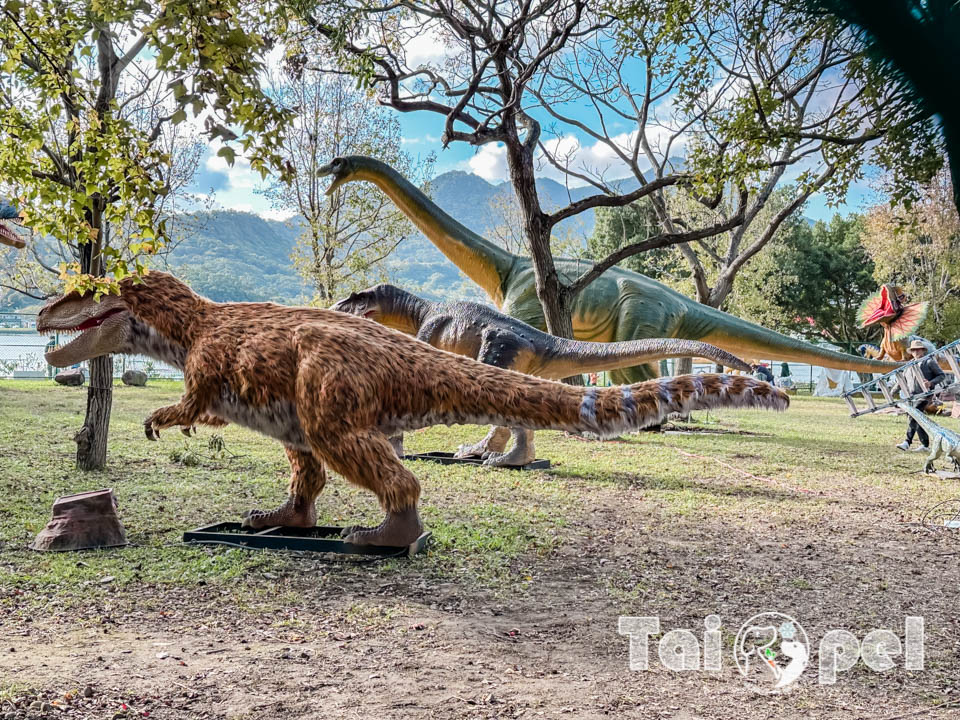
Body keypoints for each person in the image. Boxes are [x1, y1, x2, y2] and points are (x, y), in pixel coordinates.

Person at [896, 339, 946, 452]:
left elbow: (941, 375)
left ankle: (907, 442)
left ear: (923, 350)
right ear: (911, 352)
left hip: (924, 395)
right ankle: (925, 445)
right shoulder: (909, 365)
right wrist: (892, 391)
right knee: (917, 418)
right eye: (914, 350)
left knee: (913, 414)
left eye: (918, 349)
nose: (916, 352)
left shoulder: (929, 362)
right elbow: (902, 380)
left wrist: (930, 383)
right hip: (912, 396)